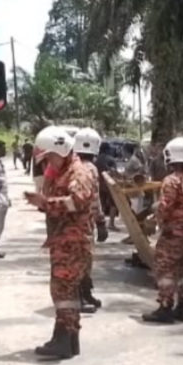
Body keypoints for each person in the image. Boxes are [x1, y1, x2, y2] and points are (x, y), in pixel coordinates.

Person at [24, 126, 95, 359]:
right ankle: (67, 338)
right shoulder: (66, 172)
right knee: (65, 292)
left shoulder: (78, 172)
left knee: (63, 290)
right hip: (66, 241)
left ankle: (64, 339)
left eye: (49, 158)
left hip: (72, 243)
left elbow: (77, 201)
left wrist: (46, 203)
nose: (47, 164)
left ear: (61, 150)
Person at [142, 137, 183, 324]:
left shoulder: (171, 181)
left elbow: (165, 206)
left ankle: (165, 307)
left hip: (174, 235)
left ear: (170, 156)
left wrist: (155, 218)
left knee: (165, 269)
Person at [73, 127, 108, 313]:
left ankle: (85, 294)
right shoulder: (90, 169)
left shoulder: (72, 166)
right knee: (83, 260)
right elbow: (94, 198)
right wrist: (101, 222)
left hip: (73, 223)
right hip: (83, 224)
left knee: (83, 260)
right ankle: (79, 297)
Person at [96, 142, 118, 230]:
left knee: (101, 204)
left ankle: (99, 223)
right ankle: (111, 224)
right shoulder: (111, 159)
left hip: (99, 184)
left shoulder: (96, 160)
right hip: (109, 185)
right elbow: (114, 172)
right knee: (113, 204)